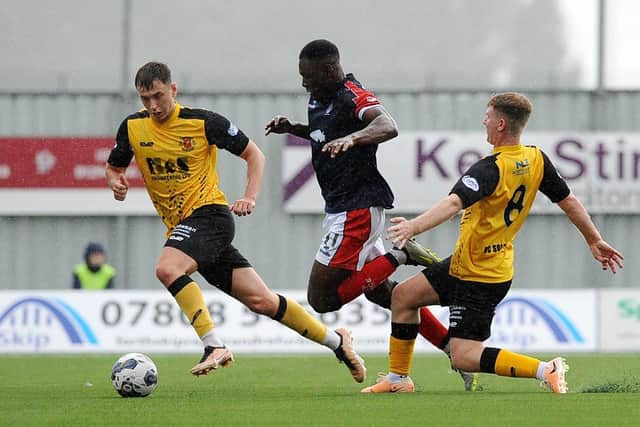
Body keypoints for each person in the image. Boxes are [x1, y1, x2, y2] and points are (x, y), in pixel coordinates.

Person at [105, 61, 366, 382]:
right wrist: (115, 180)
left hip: (210, 216)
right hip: (185, 229)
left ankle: (213, 345)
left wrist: (249, 196)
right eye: (145, 99)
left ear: (173, 90)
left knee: (167, 269)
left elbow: (254, 154)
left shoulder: (203, 122)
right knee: (263, 301)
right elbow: (115, 166)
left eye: (158, 96)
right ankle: (337, 342)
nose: (153, 105)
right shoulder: (132, 127)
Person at [361, 92, 625, 394]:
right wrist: (595, 239)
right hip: (471, 264)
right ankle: (398, 380)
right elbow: (568, 200)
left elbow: (452, 204)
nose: (484, 122)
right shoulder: (536, 159)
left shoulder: (490, 168)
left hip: (480, 277)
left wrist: (413, 226)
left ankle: (546, 369)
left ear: (500, 124)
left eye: (487, 117)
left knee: (465, 356)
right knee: (404, 297)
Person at [265, 39, 477, 391]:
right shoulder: (319, 97)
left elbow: (387, 125)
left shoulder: (352, 94)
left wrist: (355, 138)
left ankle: (402, 253)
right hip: (345, 209)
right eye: (301, 76)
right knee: (386, 295)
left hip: (356, 212)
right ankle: (452, 350)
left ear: (330, 70)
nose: (304, 83)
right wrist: (294, 129)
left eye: (309, 76)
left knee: (322, 299)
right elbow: (323, 133)